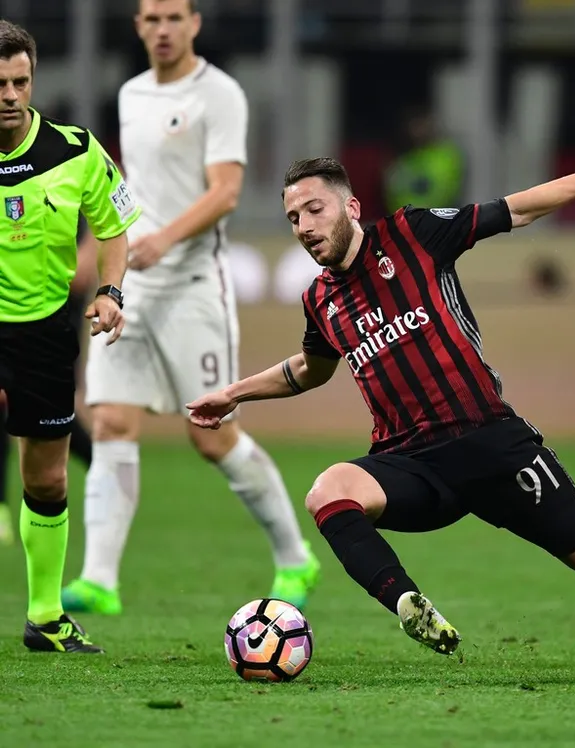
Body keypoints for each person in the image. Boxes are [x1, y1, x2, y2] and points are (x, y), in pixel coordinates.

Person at [187, 155, 575, 678]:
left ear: (350, 207)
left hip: (491, 443)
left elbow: (519, 209)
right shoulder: (320, 299)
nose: (304, 226)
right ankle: (409, 605)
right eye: (292, 218)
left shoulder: (414, 234)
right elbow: (311, 369)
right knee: (329, 490)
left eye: (315, 209)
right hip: (411, 463)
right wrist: (236, 393)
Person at [62, 0, 319, 617]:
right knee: (112, 422)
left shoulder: (220, 94)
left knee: (211, 435)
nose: (163, 29)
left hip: (194, 287)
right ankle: (100, 578)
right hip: (134, 285)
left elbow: (226, 191)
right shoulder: (129, 94)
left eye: (174, 17)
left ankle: (294, 557)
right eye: (151, 19)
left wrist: (164, 239)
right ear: (138, 27)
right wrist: (105, 252)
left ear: (195, 23)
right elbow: (128, 192)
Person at [0, 20, 136, 653]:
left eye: (19, 81)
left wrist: (110, 292)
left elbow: (114, 228)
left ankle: (45, 616)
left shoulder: (76, 149)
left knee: (47, 481)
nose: (9, 94)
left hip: (46, 331)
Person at [0, 228, 97, 546]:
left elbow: (111, 197)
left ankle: (102, 464)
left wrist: (89, 251)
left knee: (48, 411)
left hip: (56, 294)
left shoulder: (83, 179)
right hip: (14, 290)